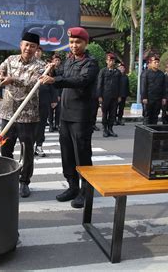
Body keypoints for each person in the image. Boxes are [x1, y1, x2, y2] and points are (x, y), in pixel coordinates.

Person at [40, 27, 99, 209]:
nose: (74, 45)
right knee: (67, 153)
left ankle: (85, 191)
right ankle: (72, 187)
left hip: (81, 116)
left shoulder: (91, 63)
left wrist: (55, 80)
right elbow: (61, 78)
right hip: (65, 115)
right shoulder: (68, 61)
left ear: (85, 43)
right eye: (71, 42)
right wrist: (51, 72)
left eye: (78, 42)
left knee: (81, 153)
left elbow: (80, 81)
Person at [0, 32, 43, 198]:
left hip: (28, 115)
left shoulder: (41, 65)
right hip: (7, 113)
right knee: (5, 147)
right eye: (26, 45)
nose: (28, 48)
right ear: (21, 45)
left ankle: (24, 181)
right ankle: (8, 178)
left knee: (27, 150)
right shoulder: (10, 60)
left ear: (36, 49)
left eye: (32, 46)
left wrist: (12, 79)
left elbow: (32, 82)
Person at [34, 48, 57, 157]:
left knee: (42, 124)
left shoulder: (46, 66)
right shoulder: (25, 65)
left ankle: (39, 145)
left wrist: (53, 99)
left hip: (44, 99)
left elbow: (52, 82)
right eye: (36, 51)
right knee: (28, 125)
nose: (37, 53)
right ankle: (28, 147)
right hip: (30, 101)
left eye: (39, 51)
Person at [97, 52, 121, 137]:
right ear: (106, 61)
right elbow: (99, 84)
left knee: (113, 113)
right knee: (105, 113)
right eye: (109, 60)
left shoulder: (117, 72)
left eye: (112, 60)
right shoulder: (103, 71)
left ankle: (110, 129)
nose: (111, 62)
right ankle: (105, 129)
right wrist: (99, 96)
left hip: (114, 96)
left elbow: (119, 85)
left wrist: (119, 96)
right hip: (105, 96)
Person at [141, 55, 166, 124]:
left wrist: (164, 97)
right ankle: (146, 132)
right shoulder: (146, 73)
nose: (157, 64)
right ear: (150, 63)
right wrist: (144, 97)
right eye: (155, 62)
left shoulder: (161, 74)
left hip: (158, 98)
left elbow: (163, 87)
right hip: (148, 98)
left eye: (158, 62)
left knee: (155, 115)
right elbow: (143, 86)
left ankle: (153, 132)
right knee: (147, 115)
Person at [48, 54, 62, 132]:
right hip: (50, 92)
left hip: (59, 92)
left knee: (58, 110)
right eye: (55, 60)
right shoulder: (50, 70)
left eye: (58, 60)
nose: (57, 62)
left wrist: (59, 94)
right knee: (50, 110)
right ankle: (50, 124)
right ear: (52, 61)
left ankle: (57, 124)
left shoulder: (62, 70)